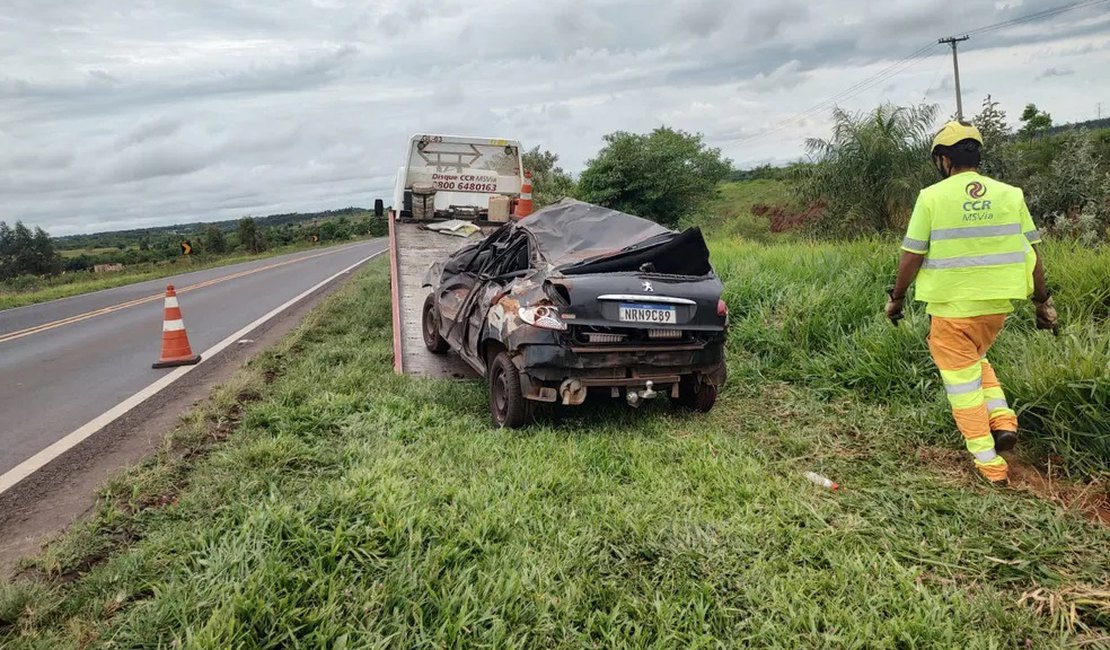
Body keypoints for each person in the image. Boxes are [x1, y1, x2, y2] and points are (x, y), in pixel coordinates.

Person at [884, 120, 1058, 485]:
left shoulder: (931, 197)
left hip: (951, 308)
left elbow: (910, 255)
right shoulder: (1012, 194)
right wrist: (1042, 302)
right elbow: (1035, 256)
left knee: (961, 386)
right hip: (996, 308)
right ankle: (1003, 420)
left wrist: (896, 299)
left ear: (943, 160)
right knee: (975, 359)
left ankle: (988, 462)